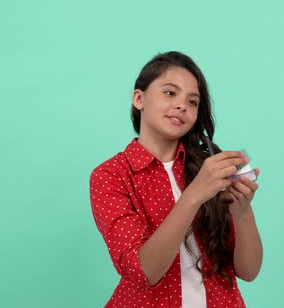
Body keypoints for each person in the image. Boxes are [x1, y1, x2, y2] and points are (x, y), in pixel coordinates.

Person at [89, 51, 263, 308]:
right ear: (139, 98)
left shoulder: (208, 168)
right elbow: (144, 271)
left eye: (192, 102)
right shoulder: (110, 176)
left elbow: (249, 272)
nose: (182, 105)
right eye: (170, 93)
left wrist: (242, 210)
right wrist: (194, 195)